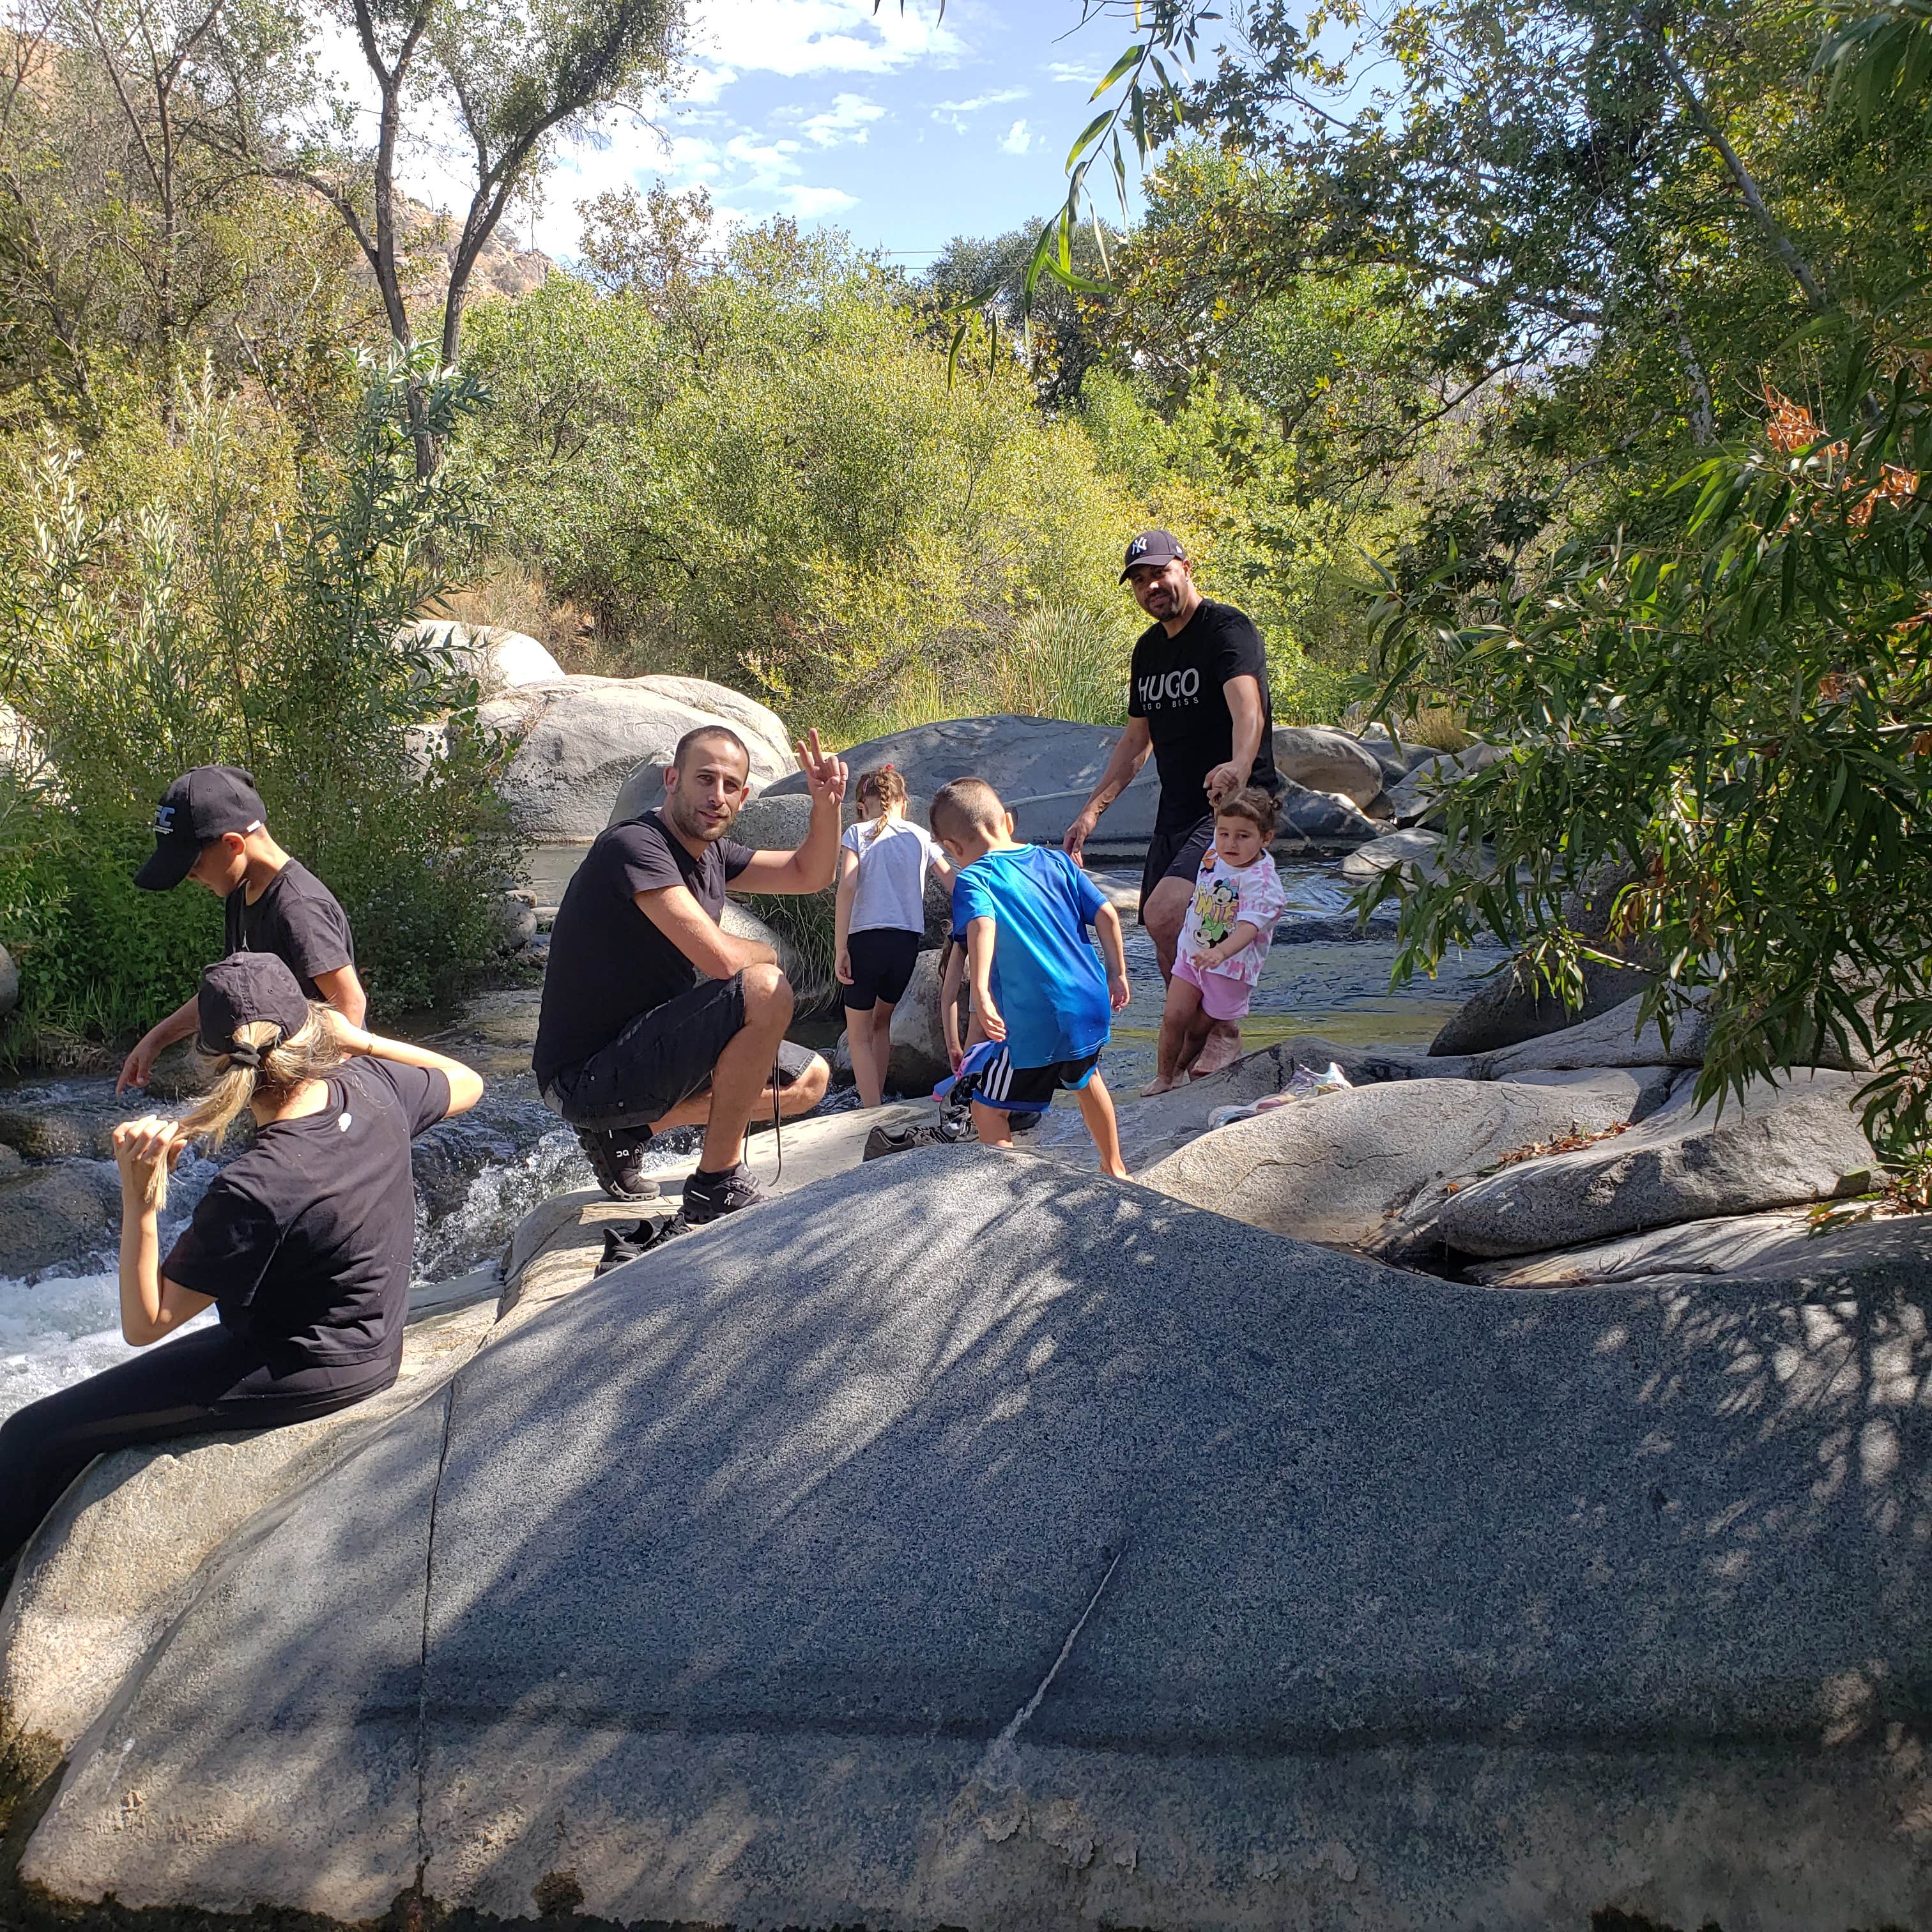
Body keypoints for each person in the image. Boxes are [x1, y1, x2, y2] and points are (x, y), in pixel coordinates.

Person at [0, 951, 484, 1567]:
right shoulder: (375, 1087)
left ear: (208, 1059)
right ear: (312, 1030)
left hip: (306, 1368)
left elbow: (145, 1324)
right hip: (371, 1342)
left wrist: (140, 1197)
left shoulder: (257, 1185)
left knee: (31, 1435)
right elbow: (468, 1080)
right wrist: (359, 1040)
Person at [533, 724, 845, 1222]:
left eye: (730, 785)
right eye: (705, 779)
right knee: (764, 988)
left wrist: (826, 807)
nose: (717, 796)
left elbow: (809, 875)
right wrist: (767, 953)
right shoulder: (635, 846)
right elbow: (720, 960)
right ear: (672, 779)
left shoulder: (713, 854)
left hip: (646, 1048)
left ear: (743, 798)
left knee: (809, 1081)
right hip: (584, 1075)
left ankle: (630, 1133)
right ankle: (716, 1183)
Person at [1062, 530, 1280, 1079]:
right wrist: (1093, 810)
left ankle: (1223, 1033)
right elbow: (1137, 741)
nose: (1150, 587)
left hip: (1233, 809)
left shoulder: (1226, 629)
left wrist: (1238, 767)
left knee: (1166, 914)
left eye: (1159, 573)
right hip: (1178, 809)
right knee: (1166, 934)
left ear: (1186, 567)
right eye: (1139, 580)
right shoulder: (1149, 650)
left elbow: (1248, 710)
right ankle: (1191, 1045)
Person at [927, 777, 1131, 1179]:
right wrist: (1118, 973)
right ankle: (1115, 1167)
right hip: (1087, 1003)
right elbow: (1108, 914)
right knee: (1086, 1079)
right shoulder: (1056, 861)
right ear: (1007, 821)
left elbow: (983, 925)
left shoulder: (974, 878)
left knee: (987, 1109)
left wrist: (981, 991)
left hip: (1032, 1018)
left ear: (952, 848)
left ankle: (1013, 1186)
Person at [118, 765, 366, 1095]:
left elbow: (351, 1006)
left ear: (233, 844)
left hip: (328, 1091)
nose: (190, 878)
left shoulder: (300, 908)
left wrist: (313, 1095)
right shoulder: (242, 893)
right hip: (280, 1087)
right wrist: (156, 1040)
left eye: (193, 866)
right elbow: (231, 993)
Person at [1142, 787, 1287, 1094]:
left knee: (1198, 1030)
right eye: (1224, 834)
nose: (1230, 843)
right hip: (1191, 955)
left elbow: (1249, 927)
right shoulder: (1214, 852)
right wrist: (1218, 801)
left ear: (1266, 838)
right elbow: (1220, 821)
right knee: (1173, 1017)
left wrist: (1221, 952)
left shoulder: (1262, 883)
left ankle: (1179, 1071)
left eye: (1243, 836)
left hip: (1229, 969)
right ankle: (1164, 1077)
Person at [834, 762, 953, 1110]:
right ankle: (880, 1097)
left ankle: (871, 1111)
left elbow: (847, 887)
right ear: (904, 802)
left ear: (863, 806)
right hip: (905, 944)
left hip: (865, 941)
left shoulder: (858, 833)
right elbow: (954, 882)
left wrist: (841, 948)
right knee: (881, 1023)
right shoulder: (920, 836)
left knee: (858, 1035)